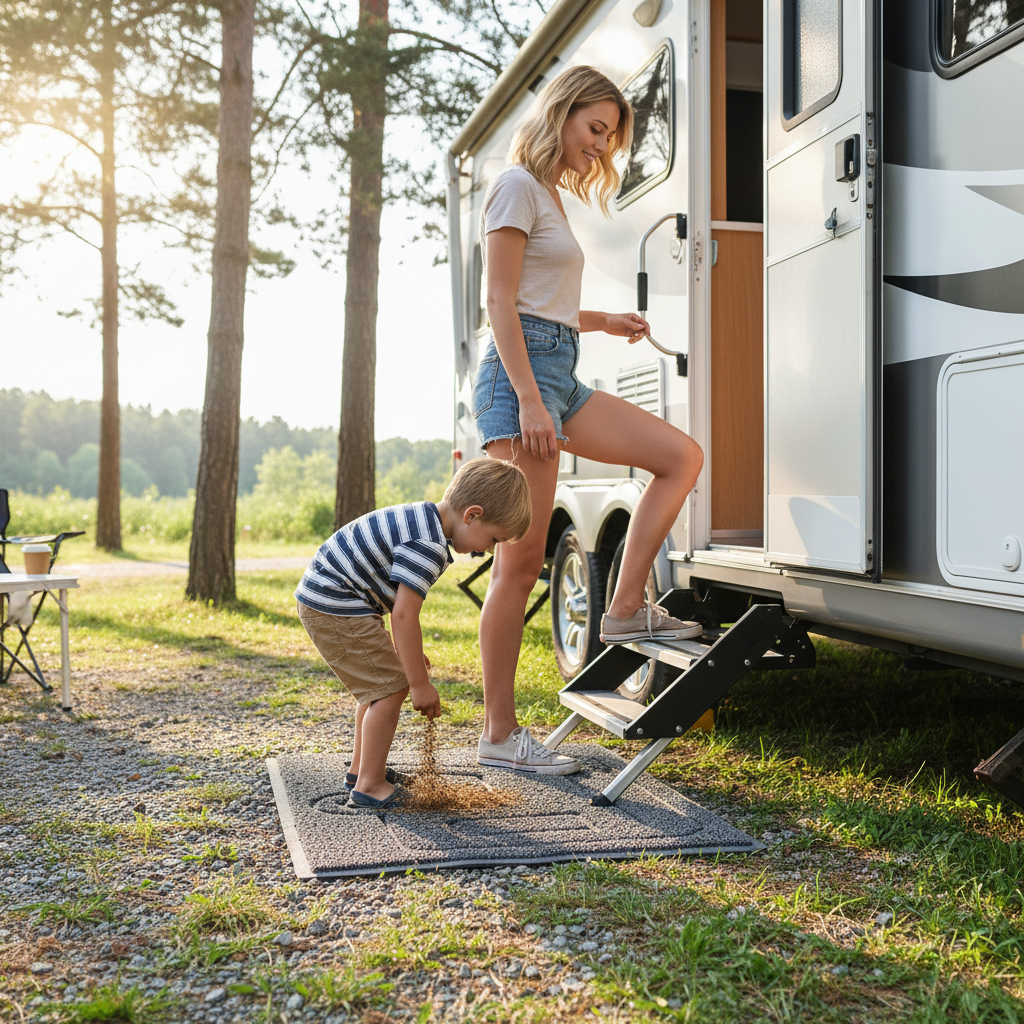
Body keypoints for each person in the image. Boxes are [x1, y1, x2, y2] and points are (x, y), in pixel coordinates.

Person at [473, 65, 706, 777]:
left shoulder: (545, 196)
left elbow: (543, 300)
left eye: (610, 136)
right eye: (594, 129)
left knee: (679, 457)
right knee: (516, 568)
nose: (602, 148)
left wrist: (603, 320)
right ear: (562, 114)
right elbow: (499, 301)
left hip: (557, 373)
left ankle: (626, 606)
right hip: (523, 383)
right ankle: (499, 734)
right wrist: (530, 401)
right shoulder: (515, 185)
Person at [294, 457, 532, 807]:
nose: (487, 550)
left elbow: (390, 596)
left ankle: (361, 771)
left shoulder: (421, 518)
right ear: (472, 515)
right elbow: (404, 615)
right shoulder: (430, 547)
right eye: (493, 539)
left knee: (378, 687)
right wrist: (419, 683)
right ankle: (369, 787)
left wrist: (404, 655)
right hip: (335, 603)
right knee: (392, 687)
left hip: (333, 598)